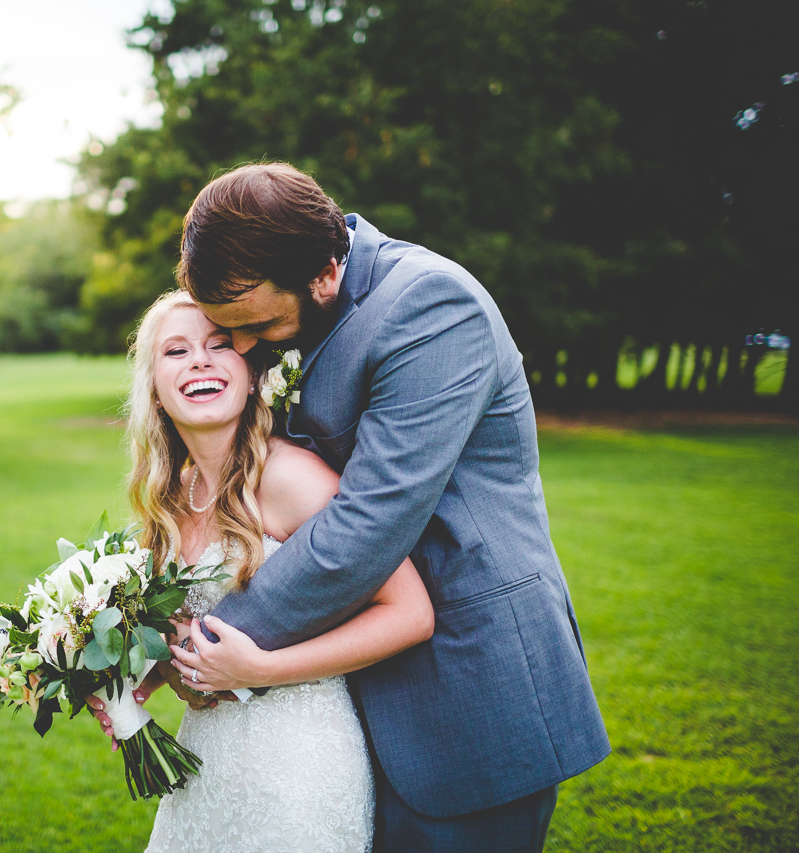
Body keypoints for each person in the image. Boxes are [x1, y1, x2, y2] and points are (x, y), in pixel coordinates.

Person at [164, 163, 612, 852]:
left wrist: (203, 648)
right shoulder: (316, 309)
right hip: (357, 690)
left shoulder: (430, 306)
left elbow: (367, 523)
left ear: (322, 273)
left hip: (471, 689)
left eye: (252, 325)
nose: (246, 347)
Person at [89, 289, 436, 852]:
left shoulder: (291, 479)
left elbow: (410, 613)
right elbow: (196, 637)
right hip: (208, 764)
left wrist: (263, 669)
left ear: (252, 375)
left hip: (298, 768)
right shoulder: (171, 497)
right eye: (176, 351)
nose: (199, 360)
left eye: (219, 344)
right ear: (154, 388)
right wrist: (141, 676)